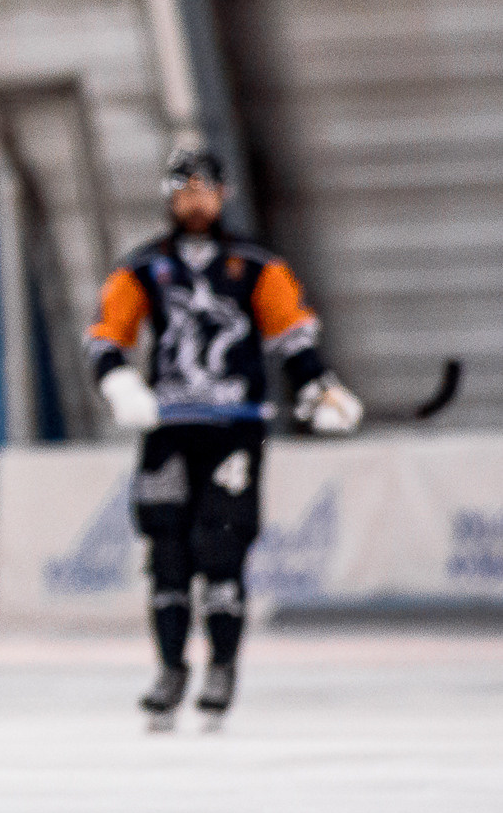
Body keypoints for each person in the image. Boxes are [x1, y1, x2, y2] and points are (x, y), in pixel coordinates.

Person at [85, 148, 363, 731]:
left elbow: (292, 338)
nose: (194, 200)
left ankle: (222, 667)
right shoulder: (143, 266)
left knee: (221, 548)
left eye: (204, 189)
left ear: (223, 194)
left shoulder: (256, 265)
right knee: (167, 553)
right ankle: (169, 669)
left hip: (235, 428)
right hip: (169, 430)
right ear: (168, 196)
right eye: (183, 189)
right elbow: (107, 336)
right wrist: (119, 384)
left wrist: (321, 389)